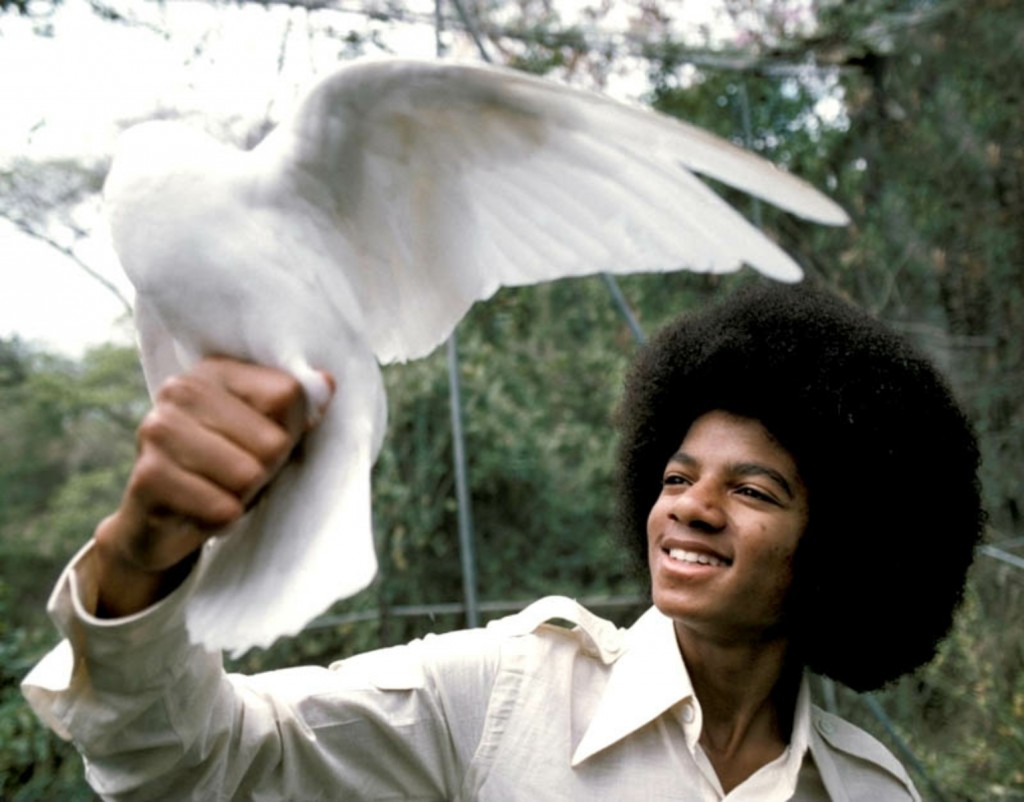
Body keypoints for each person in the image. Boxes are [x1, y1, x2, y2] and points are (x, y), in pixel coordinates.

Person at [23, 283, 984, 801]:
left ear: (849, 541)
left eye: (755, 490)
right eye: (677, 477)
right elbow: (198, 765)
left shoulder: (868, 789)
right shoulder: (503, 693)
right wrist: (145, 555)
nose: (691, 508)